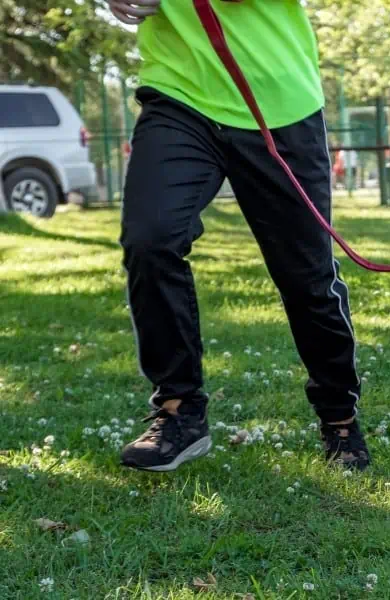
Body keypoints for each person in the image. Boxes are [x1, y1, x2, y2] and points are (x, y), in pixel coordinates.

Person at [109, 0, 370, 472]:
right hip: (179, 93)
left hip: (279, 103)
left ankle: (339, 417)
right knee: (150, 238)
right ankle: (178, 410)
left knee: (306, 277)